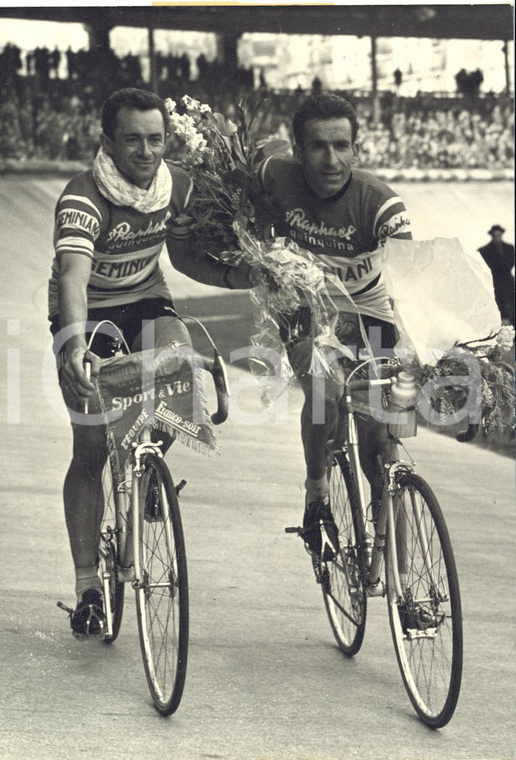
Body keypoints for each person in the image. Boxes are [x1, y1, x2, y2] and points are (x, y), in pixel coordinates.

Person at [49, 87, 257, 637]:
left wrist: (247, 275)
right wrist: (73, 345)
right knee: (91, 446)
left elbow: (186, 258)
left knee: (179, 373)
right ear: (108, 141)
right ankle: (88, 585)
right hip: (88, 314)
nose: (146, 151)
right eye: (133, 140)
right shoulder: (83, 198)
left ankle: (144, 475)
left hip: (148, 299)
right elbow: (72, 276)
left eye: (156, 139)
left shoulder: (177, 185)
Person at [257, 92, 412, 553]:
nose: (331, 160)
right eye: (319, 147)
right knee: (324, 392)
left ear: (357, 150)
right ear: (297, 150)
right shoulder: (273, 174)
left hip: (369, 312)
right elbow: (247, 164)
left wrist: (416, 352)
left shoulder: (382, 204)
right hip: (305, 307)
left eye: (342, 146)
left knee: (380, 450)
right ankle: (316, 492)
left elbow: (410, 289)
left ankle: (404, 582)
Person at [478, 225, 515, 326]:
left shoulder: (510, 248)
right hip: (494, 281)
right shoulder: (484, 250)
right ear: (492, 235)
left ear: (501, 234)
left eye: (498, 235)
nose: (497, 237)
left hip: (508, 281)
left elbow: (511, 263)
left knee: (511, 305)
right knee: (497, 305)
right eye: (495, 235)